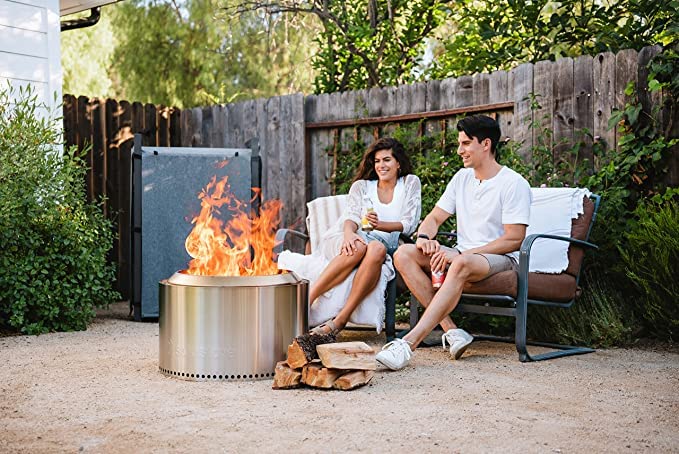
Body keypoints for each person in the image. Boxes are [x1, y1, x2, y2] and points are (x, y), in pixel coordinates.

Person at [376, 115, 532, 370]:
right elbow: (434, 218)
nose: (460, 150)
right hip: (464, 254)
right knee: (403, 253)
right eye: (460, 144)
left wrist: (461, 255)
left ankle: (407, 344)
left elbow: (514, 238)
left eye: (466, 143)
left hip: (500, 258)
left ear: (486, 144)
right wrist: (425, 239)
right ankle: (452, 330)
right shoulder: (462, 178)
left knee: (460, 262)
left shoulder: (513, 183)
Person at [301, 137, 421, 335]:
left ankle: (340, 320)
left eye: (387, 160)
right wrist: (348, 234)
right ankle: (305, 303)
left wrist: (379, 225)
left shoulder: (409, 183)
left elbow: (409, 223)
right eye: (377, 161)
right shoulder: (362, 186)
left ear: (398, 163)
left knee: (377, 248)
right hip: (350, 235)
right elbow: (351, 217)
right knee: (358, 246)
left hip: (388, 243)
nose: (381, 165)